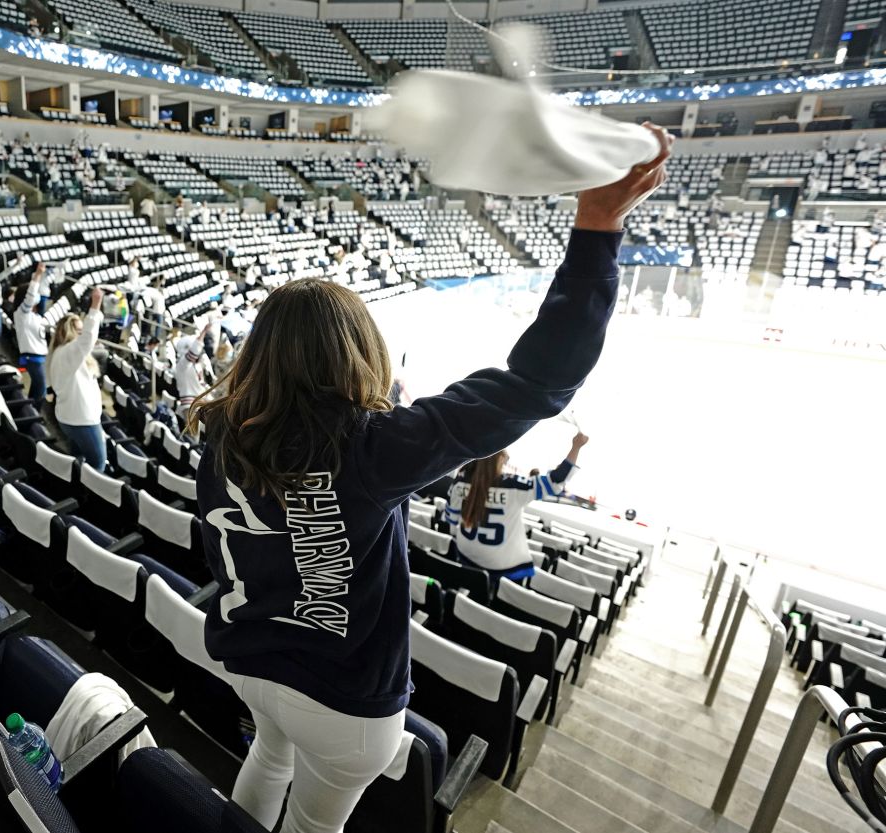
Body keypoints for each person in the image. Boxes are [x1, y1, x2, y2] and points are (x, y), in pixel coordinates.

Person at [184, 124, 669, 833]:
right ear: (357, 353)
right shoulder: (374, 447)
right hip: (341, 702)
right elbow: (536, 382)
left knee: (267, 757)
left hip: (247, 660)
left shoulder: (221, 427)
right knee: (314, 822)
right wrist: (597, 229)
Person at [445, 431, 589, 581]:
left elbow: (452, 520)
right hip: (502, 568)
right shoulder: (513, 486)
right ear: (499, 459)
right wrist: (576, 447)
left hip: (464, 556)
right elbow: (556, 481)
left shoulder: (460, 482)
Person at [47, 288, 106, 470]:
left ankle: (80, 488)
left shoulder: (58, 353)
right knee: (98, 464)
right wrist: (95, 306)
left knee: (79, 458)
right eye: (79, 331)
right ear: (70, 332)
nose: (82, 334)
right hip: (81, 420)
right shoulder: (68, 352)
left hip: (69, 417)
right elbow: (88, 339)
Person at [14, 264, 50, 404]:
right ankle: (36, 416)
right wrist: (37, 275)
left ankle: (31, 412)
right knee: (41, 390)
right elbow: (30, 296)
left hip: (39, 356)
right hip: (32, 358)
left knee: (36, 387)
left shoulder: (35, 316)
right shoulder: (22, 313)